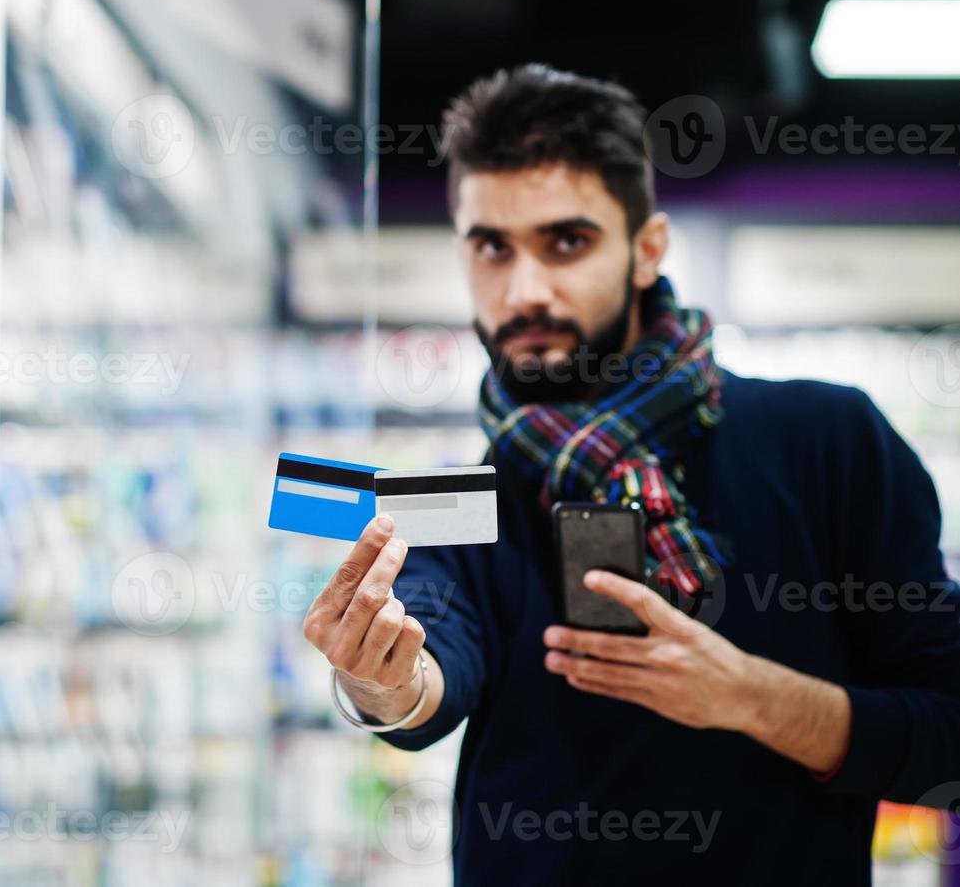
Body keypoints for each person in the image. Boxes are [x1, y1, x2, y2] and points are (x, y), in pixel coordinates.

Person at [301, 64, 960, 884]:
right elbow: (428, 667)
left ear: (646, 250)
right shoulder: (467, 496)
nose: (523, 289)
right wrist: (380, 681)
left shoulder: (826, 439)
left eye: (565, 242)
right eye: (492, 248)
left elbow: (946, 732)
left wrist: (750, 697)